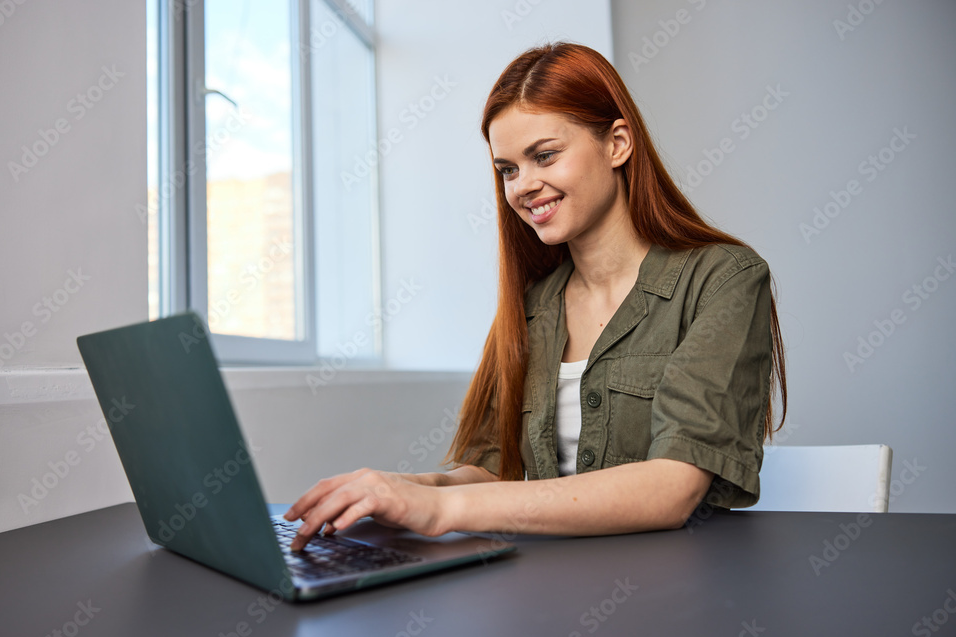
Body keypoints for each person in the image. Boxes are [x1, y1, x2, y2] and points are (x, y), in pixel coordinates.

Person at [286, 42, 786, 551]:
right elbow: (489, 472)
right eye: (508, 169)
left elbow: (671, 488)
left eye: (544, 156)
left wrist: (441, 509)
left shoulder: (724, 279)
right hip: (548, 595)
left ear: (617, 144)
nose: (524, 185)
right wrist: (401, 490)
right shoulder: (532, 305)